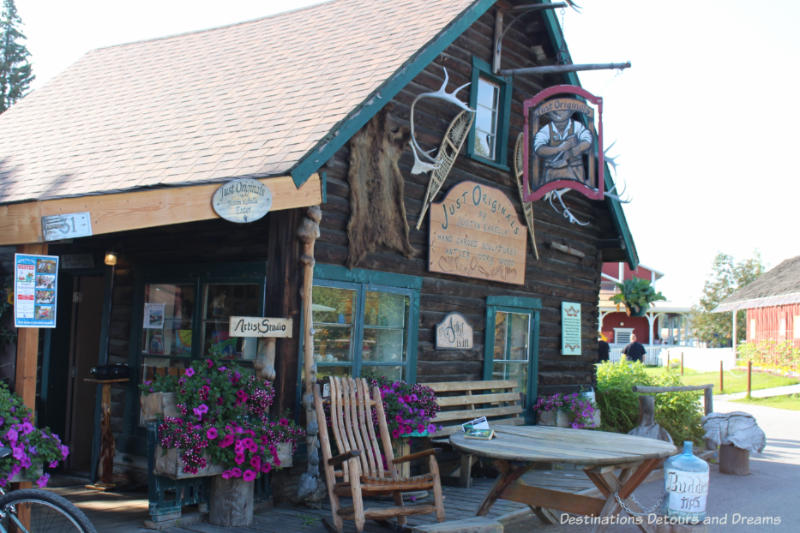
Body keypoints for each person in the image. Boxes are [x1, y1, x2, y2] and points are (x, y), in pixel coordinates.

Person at [533, 108, 593, 184]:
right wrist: (559, 148)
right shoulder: (547, 129)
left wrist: (576, 149)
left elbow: (588, 140)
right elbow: (539, 148)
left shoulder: (576, 127)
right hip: (552, 172)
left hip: (575, 173)